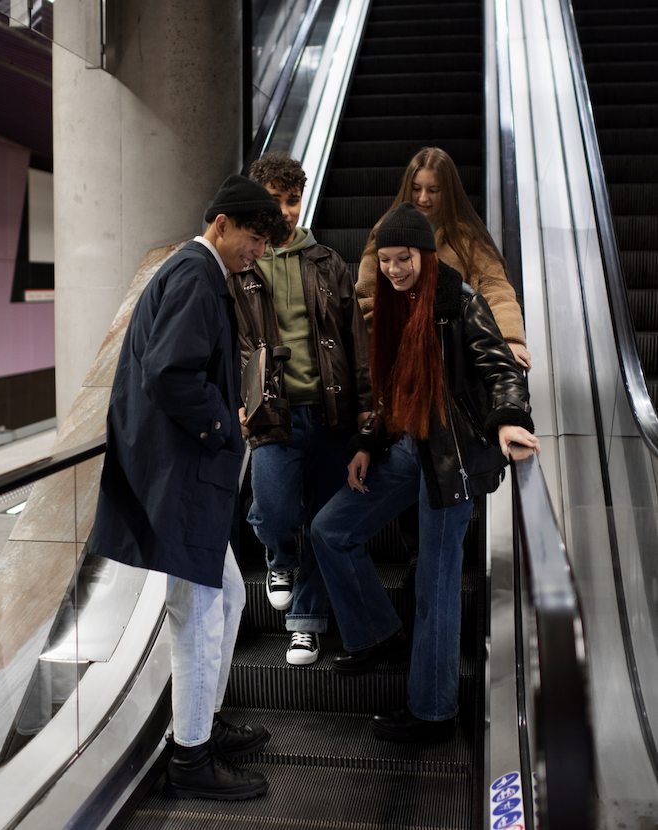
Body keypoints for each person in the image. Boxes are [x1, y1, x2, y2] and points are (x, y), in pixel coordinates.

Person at [91, 175, 290, 800]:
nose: (258, 252)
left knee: (227, 597)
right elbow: (169, 373)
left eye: (265, 243)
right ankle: (191, 758)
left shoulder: (199, 272)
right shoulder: (197, 275)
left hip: (180, 470)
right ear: (222, 224)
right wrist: (221, 422)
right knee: (201, 613)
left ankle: (204, 721)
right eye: (254, 238)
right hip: (179, 475)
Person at [311, 202, 539, 742]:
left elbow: (500, 370)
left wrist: (509, 420)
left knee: (436, 585)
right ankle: (377, 633)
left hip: (451, 459)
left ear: (426, 255)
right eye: (386, 260)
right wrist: (369, 441)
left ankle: (434, 711)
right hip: (410, 447)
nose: (393, 269)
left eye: (403, 258)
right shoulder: (397, 307)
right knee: (330, 529)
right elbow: (394, 390)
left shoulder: (461, 303)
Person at [227, 151, 372, 666]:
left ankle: (306, 625)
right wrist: (235, 400)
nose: (286, 211)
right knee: (275, 510)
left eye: (294, 200)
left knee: (323, 521)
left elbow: (355, 342)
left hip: (330, 414)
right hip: (271, 414)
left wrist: (364, 410)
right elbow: (225, 344)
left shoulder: (327, 262)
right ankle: (279, 554)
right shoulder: (240, 263)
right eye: (276, 199)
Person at [357, 146, 531, 370]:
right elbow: (366, 298)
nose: (423, 198)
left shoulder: (466, 239)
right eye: (416, 188)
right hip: (400, 360)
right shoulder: (386, 233)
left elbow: (496, 289)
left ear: (448, 191)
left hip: (455, 360)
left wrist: (509, 338)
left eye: (433, 190)